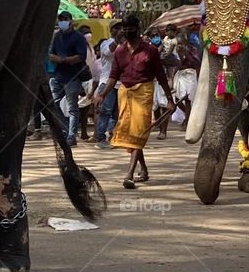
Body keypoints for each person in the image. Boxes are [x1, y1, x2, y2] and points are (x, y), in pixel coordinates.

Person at [93, 15, 174, 188]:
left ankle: (129, 174)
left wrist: (169, 99)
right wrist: (102, 95)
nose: (127, 31)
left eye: (130, 28)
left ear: (137, 29)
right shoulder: (119, 51)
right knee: (132, 135)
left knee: (139, 132)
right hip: (125, 93)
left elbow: (161, 76)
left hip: (144, 92)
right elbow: (113, 77)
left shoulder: (150, 51)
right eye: (124, 28)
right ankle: (143, 170)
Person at [48, 12, 89, 146]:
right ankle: (66, 130)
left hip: (73, 76)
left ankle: (71, 135)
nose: (62, 22)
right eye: (60, 20)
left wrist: (62, 59)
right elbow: (52, 53)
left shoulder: (78, 37)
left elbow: (80, 56)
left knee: (72, 107)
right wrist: (54, 59)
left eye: (65, 19)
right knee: (53, 105)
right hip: (57, 75)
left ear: (71, 21)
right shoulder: (56, 36)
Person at [93, 23, 123, 147]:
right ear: (112, 30)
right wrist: (117, 40)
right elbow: (108, 51)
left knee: (117, 113)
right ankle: (100, 138)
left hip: (121, 84)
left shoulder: (126, 45)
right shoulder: (106, 43)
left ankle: (112, 135)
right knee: (105, 111)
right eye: (118, 28)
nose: (120, 30)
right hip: (107, 83)